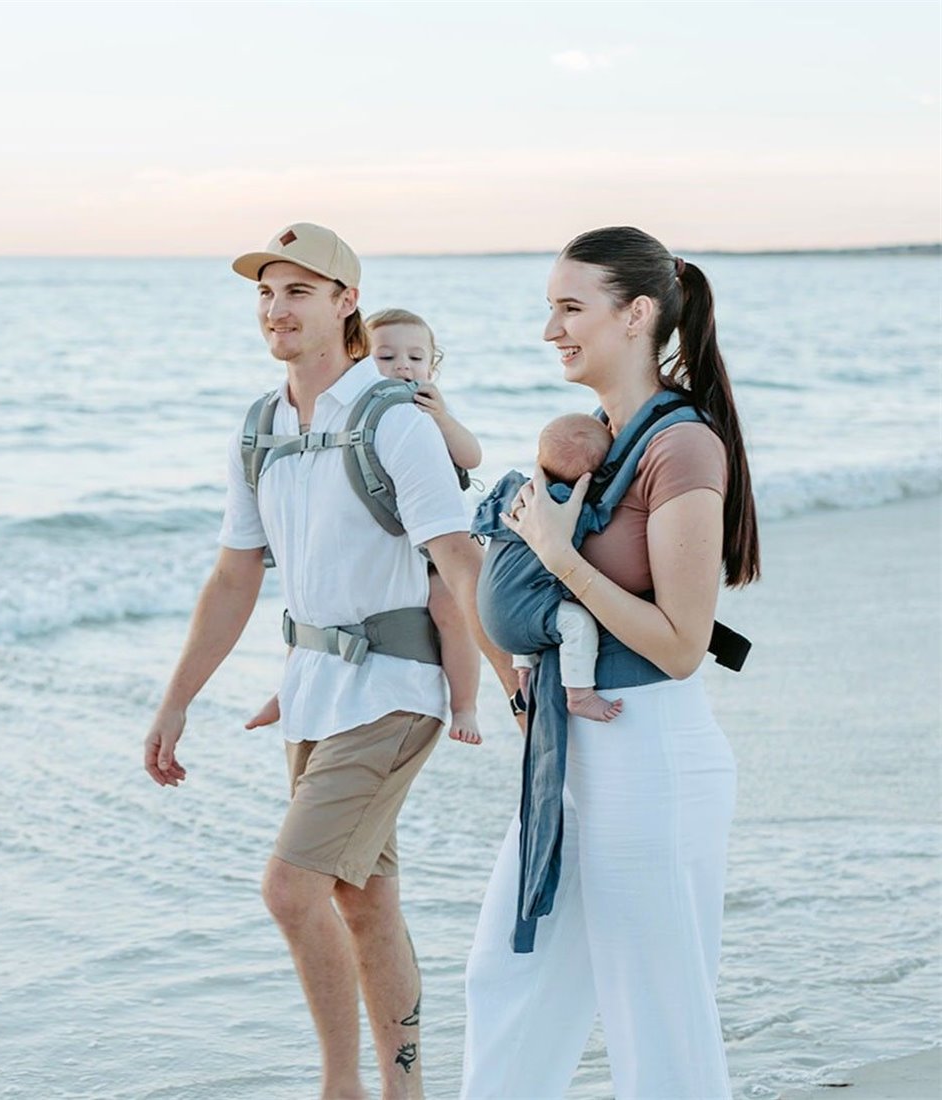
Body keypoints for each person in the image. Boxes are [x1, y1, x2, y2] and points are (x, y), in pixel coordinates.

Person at [142, 223, 513, 1100]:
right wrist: (176, 702)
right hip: (313, 693)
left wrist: (507, 672)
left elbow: (459, 560)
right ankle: (404, 1092)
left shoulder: (396, 422)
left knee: (289, 888)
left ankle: (339, 1088)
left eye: (299, 291)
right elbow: (236, 575)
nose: (277, 309)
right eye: (266, 293)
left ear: (347, 301)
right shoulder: (260, 427)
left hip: (394, 689)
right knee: (362, 900)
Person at [461, 226, 760, 1100]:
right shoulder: (594, 437)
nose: (551, 328)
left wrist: (558, 557)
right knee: (509, 975)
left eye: (569, 307)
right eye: (548, 307)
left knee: (656, 1012)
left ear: (636, 315)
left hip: (651, 754)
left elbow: (677, 646)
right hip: (570, 747)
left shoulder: (683, 446)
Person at [246, 306, 486, 744]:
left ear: (432, 366)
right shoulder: (356, 412)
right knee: (314, 602)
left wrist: (443, 419)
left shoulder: (423, 411)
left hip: (433, 549)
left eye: (415, 358)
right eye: (386, 356)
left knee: (450, 611)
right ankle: (288, 690)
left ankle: (464, 704)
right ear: (358, 358)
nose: (402, 367)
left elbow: (471, 457)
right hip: (376, 541)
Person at [508, 412, 624, 723]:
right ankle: (580, 695)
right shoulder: (566, 505)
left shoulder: (521, 495)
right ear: (592, 477)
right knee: (578, 623)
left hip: (504, 606)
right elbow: (594, 526)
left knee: (528, 597)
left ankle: (522, 671)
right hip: (529, 610)